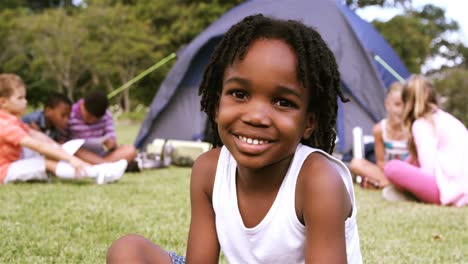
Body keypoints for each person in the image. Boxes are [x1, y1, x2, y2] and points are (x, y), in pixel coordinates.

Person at [107, 14, 362, 263]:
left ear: (309, 122)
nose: (256, 116)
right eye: (239, 94)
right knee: (127, 251)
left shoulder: (319, 181)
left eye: (283, 102)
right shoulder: (208, 170)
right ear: (217, 104)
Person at [0, 73, 128, 185]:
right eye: (20, 98)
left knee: (49, 154)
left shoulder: (13, 120)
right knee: (45, 163)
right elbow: (37, 145)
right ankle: (96, 173)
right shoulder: (4, 124)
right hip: (5, 170)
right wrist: (71, 159)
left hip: (15, 161)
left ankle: (101, 168)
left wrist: (57, 148)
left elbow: (36, 136)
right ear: (3, 102)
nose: (25, 102)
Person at [384, 75, 468, 206]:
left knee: (391, 167)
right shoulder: (444, 118)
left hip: (450, 190)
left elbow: (428, 170)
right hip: (461, 185)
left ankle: (412, 195)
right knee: (409, 164)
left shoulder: (422, 124)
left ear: (407, 102)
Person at [349, 82, 409, 188]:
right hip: (388, 172)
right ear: (387, 105)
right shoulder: (379, 129)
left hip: (410, 172)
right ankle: (392, 185)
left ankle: (382, 184)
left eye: (406, 105)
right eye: (398, 104)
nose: (402, 110)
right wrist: (393, 174)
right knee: (355, 163)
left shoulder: (413, 128)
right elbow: (380, 162)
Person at [65, 90, 138, 169]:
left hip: (100, 154)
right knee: (75, 150)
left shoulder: (106, 116)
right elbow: (62, 142)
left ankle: (100, 166)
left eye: (96, 119)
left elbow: (112, 140)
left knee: (130, 150)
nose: (91, 121)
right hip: (79, 154)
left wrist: (111, 144)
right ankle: (107, 166)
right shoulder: (69, 114)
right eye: (88, 117)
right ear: (82, 104)